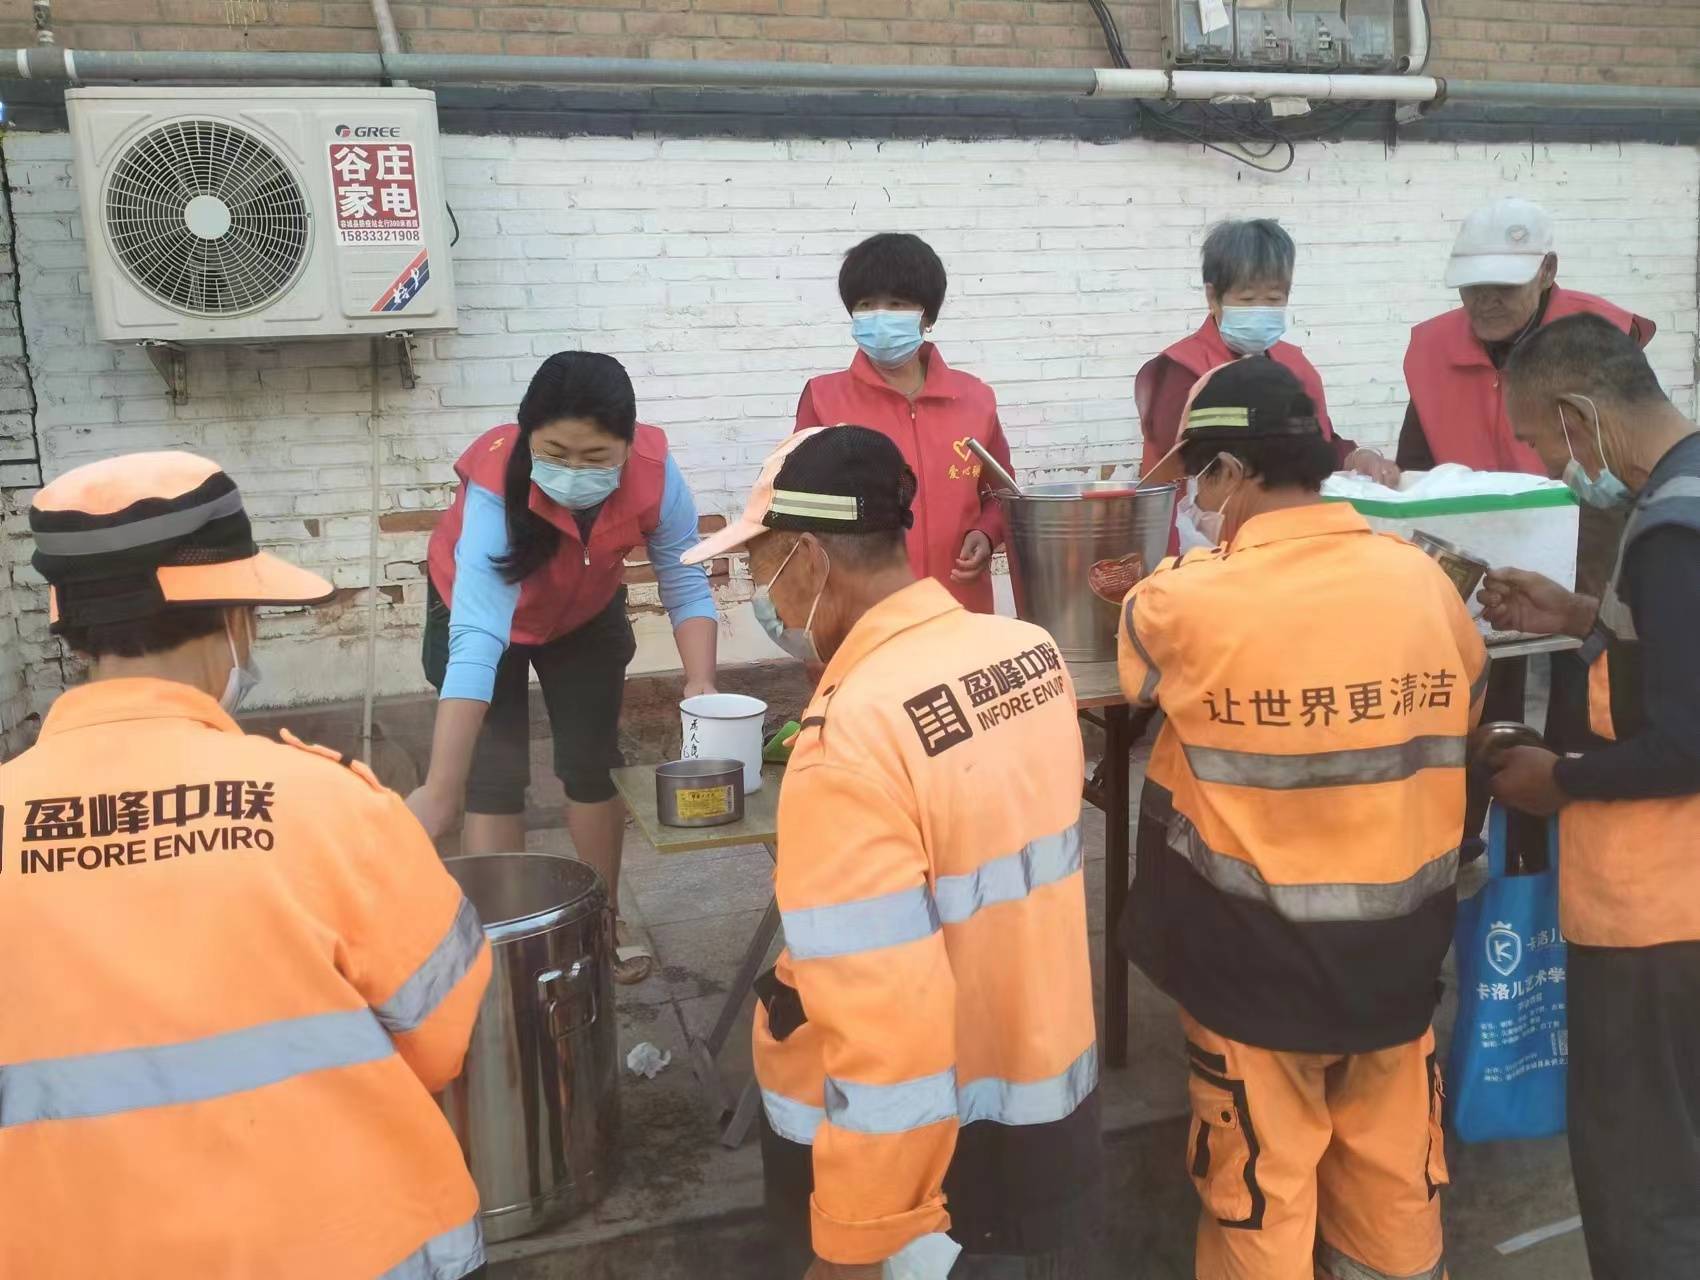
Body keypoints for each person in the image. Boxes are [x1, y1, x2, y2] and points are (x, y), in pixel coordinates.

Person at [2, 452, 490, 1279]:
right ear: (237, 617)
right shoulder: (331, 806)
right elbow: (441, 1041)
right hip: (352, 1249)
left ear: (69, 625)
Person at [683, 426, 1101, 1279]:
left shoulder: (850, 737)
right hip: (1038, 1084)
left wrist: (858, 1238)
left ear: (808, 558)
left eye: (759, 568)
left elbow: (885, 1025)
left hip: (913, 1162)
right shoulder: (1027, 653)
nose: (762, 598)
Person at [1116, 360, 1486, 1280]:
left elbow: (1140, 666)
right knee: (1396, 1194)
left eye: (1200, 477)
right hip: (1399, 966)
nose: (1199, 499)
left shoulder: (1183, 598)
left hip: (1252, 971)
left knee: (1260, 1200)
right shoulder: (1423, 580)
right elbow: (1469, 699)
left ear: (1231, 473)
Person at [1479, 314, 1700, 1280]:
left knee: (1643, 1176)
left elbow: (1688, 740)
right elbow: (1674, 656)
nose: (1548, 463)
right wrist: (1576, 616)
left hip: (1662, 909)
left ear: (1580, 415)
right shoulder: (1686, 489)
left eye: (1540, 441)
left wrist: (1558, 780)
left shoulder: (1671, 533)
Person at [407, 351, 719, 983]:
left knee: (592, 765)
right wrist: (439, 791)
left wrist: (702, 685)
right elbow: (477, 640)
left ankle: (602, 921)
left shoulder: (655, 473)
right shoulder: (497, 480)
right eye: (555, 453)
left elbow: (685, 581)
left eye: (596, 456)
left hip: (584, 617)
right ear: (529, 437)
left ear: (627, 444)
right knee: (491, 778)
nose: (573, 471)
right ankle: (497, 937)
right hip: (479, 616)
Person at [1399, 197, 1659, 866]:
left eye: (1503, 284)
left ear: (1547, 271)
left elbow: (1638, 440)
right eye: (1472, 285)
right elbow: (1415, 461)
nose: (1485, 300)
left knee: (1586, 699)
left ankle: (1565, 836)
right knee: (1477, 707)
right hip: (1483, 560)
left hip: (1587, 547)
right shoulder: (1432, 349)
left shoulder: (1599, 337)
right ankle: (1462, 841)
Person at [795, 232, 1013, 614]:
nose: (880, 316)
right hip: (864, 616)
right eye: (866, 304)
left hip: (961, 611)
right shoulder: (823, 400)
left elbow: (1001, 492)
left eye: (896, 304)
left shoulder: (975, 400)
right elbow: (798, 510)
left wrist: (988, 531)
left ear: (926, 315)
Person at [1135, 217, 1397, 486]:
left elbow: (1318, 443)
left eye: (1273, 299)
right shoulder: (1182, 369)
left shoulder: (1296, 366)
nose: (1260, 309)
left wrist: (1358, 457)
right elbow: (1195, 461)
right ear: (1213, 297)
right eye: (1247, 299)